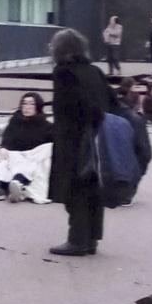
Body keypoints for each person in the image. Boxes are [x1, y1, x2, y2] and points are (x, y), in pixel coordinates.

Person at [48, 30, 110, 257]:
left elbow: (70, 107)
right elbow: (109, 102)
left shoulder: (63, 73)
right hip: (96, 138)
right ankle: (92, 238)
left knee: (75, 190)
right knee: (93, 188)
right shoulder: (95, 72)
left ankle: (77, 239)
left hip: (73, 140)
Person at [0, 92, 54, 203]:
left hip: (32, 158)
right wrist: (3, 148)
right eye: (24, 104)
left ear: (38, 106)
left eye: (31, 104)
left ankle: (18, 182)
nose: (27, 107)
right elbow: (7, 139)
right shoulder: (15, 122)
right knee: (3, 160)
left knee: (46, 150)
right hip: (14, 156)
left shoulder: (46, 126)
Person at [113, 79, 152, 200]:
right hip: (127, 173)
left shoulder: (101, 117)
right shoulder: (135, 120)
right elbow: (145, 153)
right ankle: (126, 191)